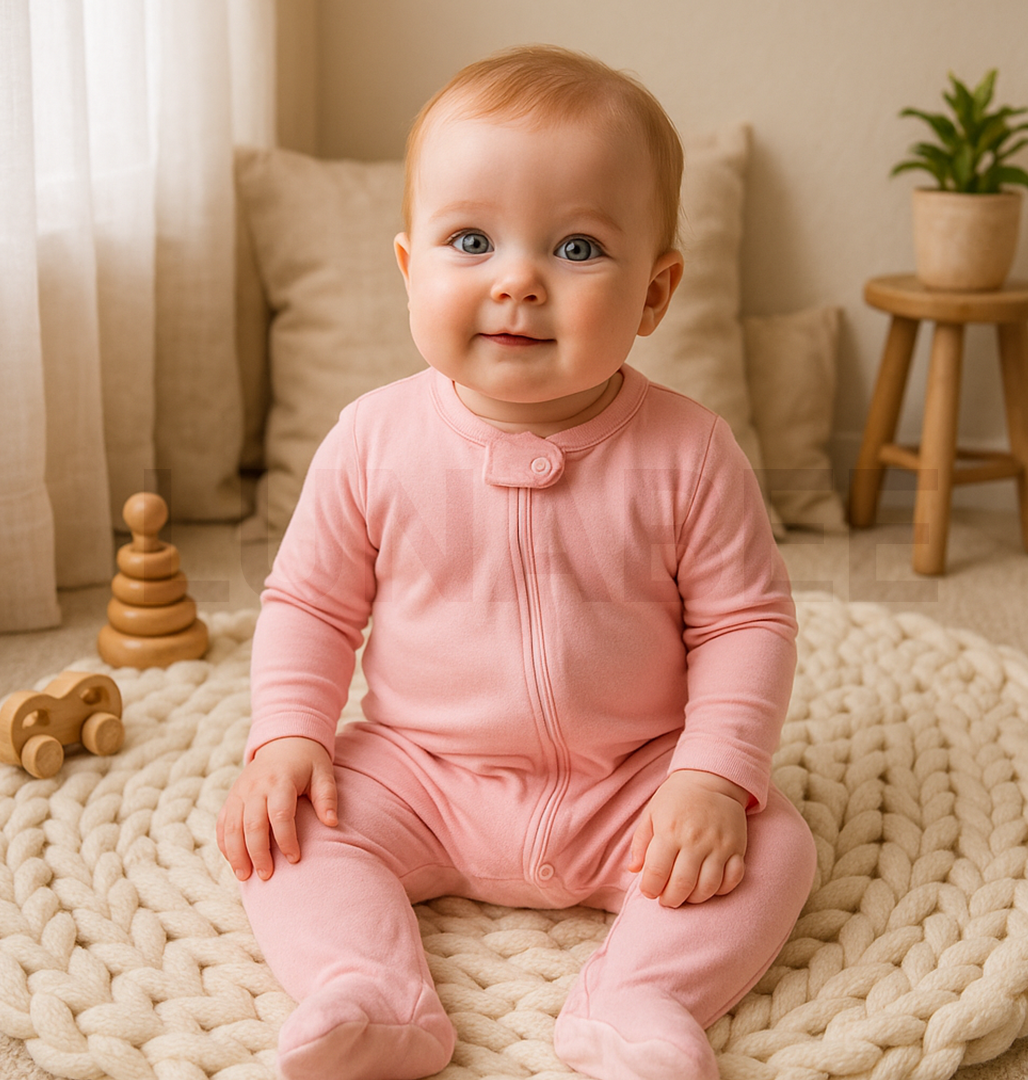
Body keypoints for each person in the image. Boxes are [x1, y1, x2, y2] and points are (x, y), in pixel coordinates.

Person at [217, 43, 817, 1080]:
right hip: (422, 772)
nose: (518, 282)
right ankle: (367, 990)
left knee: (777, 847)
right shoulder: (372, 440)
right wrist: (287, 734)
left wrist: (712, 777)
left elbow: (745, 623)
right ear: (412, 269)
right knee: (284, 830)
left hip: (630, 781)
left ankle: (639, 999)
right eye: (470, 240)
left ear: (655, 293)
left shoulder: (689, 450)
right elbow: (310, 603)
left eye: (578, 248)